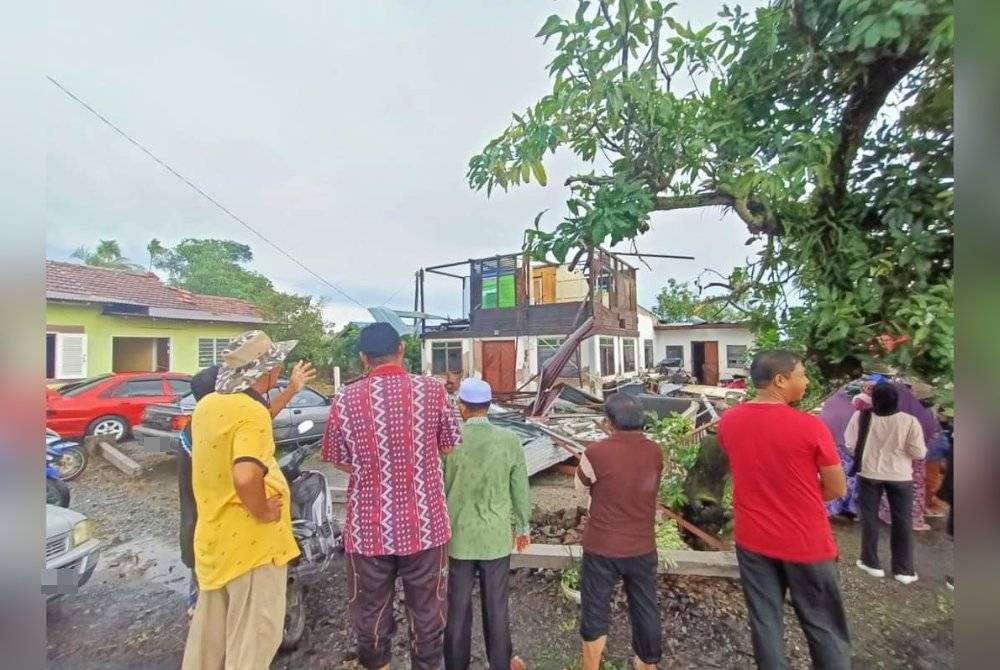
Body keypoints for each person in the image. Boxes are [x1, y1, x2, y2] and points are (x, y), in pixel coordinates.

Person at [322, 322, 462, 670]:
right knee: (428, 617)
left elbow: (337, 458)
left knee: (369, 618)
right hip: (426, 526)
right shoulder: (433, 392)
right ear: (402, 348)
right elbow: (448, 446)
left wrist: (371, 469)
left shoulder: (344, 398)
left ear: (363, 357)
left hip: (368, 530)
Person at [717, 350, 851, 670]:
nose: (805, 382)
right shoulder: (810, 427)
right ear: (780, 379)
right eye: (801, 374)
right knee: (823, 626)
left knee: (765, 623)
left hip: (753, 541)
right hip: (805, 542)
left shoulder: (729, 421)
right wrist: (799, 496)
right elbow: (837, 488)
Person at [181, 331, 302, 670]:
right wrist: (262, 510)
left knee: (210, 645)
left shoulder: (207, 407)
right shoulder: (250, 411)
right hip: (252, 547)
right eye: (276, 364)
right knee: (251, 645)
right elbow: (246, 475)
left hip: (215, 542)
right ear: (266, 371)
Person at [177, 359, 316, 618]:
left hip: (206, 538)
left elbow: (262, 415)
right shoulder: (214, 427)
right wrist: (263, 510)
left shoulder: (203, 425)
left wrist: (291, 389)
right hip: (229, 541)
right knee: (242, 618)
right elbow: (245, 477)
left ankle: (201, 604)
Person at [442, 377, 531, 670]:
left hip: (458, 539)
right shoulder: (509, 441)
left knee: (456, 611)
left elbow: (438, 488)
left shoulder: (449, 443)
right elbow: (520, 489)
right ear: (489, 406)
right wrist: (522, 528)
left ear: (463, 407)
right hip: (495, 539)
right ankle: (500, 664)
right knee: (496, 608)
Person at [574, 393, 664, 670]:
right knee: (645, 606)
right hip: (642, 546)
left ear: (608, 421)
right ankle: (647, 664)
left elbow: (579, 489)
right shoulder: (654, 451)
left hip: (602, 546)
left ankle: (591, 666)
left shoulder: (596, 452)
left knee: (595, 607)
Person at [848, 382, 927, 584]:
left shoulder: (861, 416)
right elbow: (919, 452)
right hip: (900, 476)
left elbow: (850, 443)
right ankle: (904, 570)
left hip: (869, 473)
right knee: (902, 521)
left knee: (869, 517)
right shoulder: (909, 421)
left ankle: (870, 562)